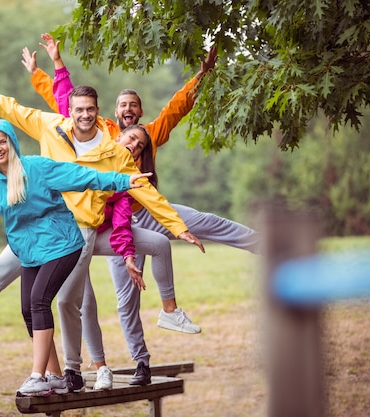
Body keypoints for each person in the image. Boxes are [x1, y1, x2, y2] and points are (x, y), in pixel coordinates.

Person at [0, 64, 205, 393]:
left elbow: (139, 188)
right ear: (69, 111)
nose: (84, 115)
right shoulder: (52, 127)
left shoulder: (115, 150)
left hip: (78, 231)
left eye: (90, 110)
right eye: (78, 110)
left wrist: (176, 224)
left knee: (67, 301)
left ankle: (71, 368)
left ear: (98, 112)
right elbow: (8, 108)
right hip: (37, 227)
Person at [24, 33, 262, 384]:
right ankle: (140, 361)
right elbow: (66, 103)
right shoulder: (103, 132)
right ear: (114, 112)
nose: (128, 110)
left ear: (140, 112)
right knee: (126, 298)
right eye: (122, 105)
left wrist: (201, 77)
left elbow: (177, 107)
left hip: (150, 210)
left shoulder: (150, 132)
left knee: (205, 222)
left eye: (133, 105)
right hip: (113, 222)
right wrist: (46, 70)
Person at [0, 119, 151, 396]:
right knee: (28, 310)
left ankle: (37, 376)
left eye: (3, 141)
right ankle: (57, 378)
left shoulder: (37, 168)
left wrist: (122, 180)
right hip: (30, 252)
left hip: (62, 244)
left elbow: (82, 176)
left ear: (12, 142)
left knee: (39, 301)